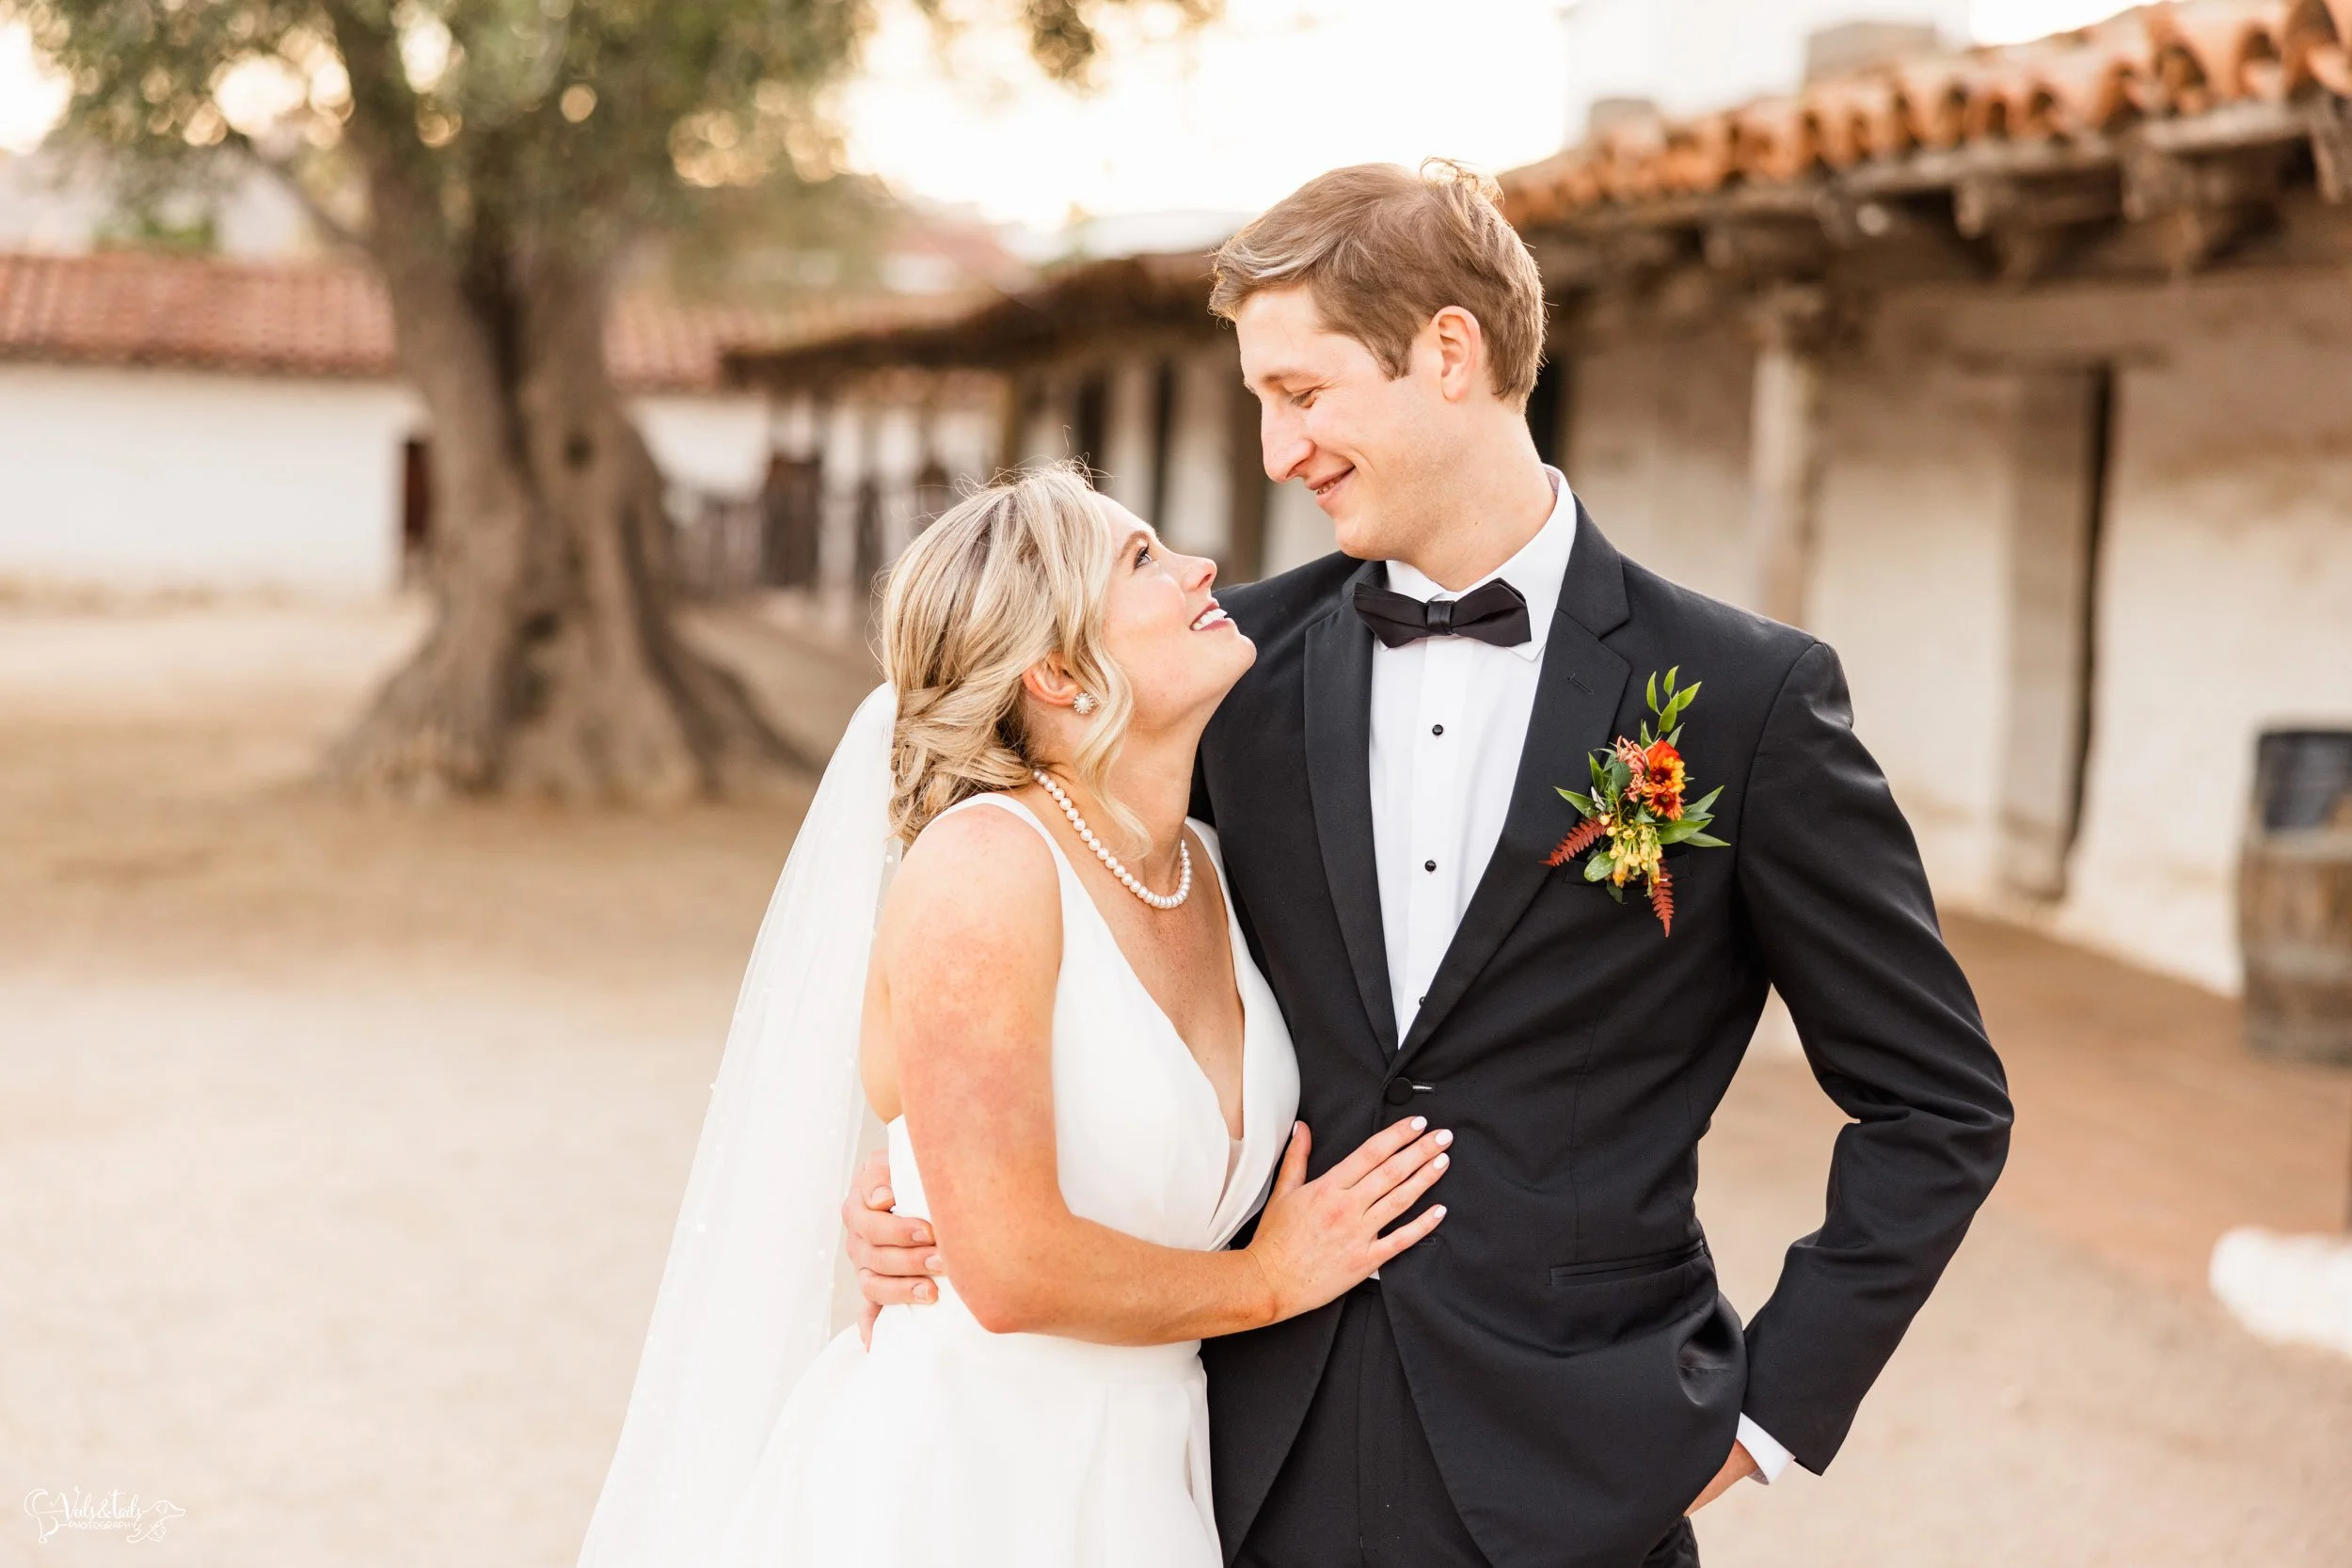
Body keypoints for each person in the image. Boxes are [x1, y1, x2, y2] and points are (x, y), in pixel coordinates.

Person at [845, 161, 2014, 1568]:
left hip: (1587, 1466)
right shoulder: (1219, 674)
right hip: (1236, 1461)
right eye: (1259, 403)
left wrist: (1767, 1413)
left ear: (1448, 352)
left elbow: (1938, 1102)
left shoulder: (1743, 700)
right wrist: (909, 1187)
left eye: (1304, 392)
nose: (1278, 451)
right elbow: (1006, 909)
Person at [575, 464, 1456, 1568]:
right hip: (966, 1480)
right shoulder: (985, 867)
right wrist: (1268, 1279)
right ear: (1055, 669)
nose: (1201, 568)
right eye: (1142, 559)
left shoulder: (1213, 870)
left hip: (1155, 1467)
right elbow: (1002, 1266)